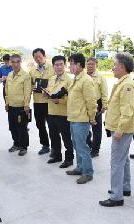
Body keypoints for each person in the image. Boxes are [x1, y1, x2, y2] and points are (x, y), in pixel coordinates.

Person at [99, 53, 134, 207]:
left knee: (116, 162)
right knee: (124, 159)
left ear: (122, 67)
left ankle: (116, 196)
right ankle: (124, 188)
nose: (112, 68)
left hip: (121, 129)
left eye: (114, 65)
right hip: (120, 128)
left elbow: (127, 111)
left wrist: (120, 131)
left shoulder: (127, 85)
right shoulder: (123, 82)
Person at [65, 53, 97, 184]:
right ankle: (79, 167)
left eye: (71, 64)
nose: (70, 66)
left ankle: (88, 173)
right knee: (76, 145)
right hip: (73, 117)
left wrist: (92, 118)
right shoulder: (76, 78)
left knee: (82, 146)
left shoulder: (86, 80)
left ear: (78, 65)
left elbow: (91, 101)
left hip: (82, 119)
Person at [43, 55, 74, 168]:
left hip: (63, 113)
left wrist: (59, 101)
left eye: (61, 64)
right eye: (56, 65)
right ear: (53, 66)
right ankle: (57, 155)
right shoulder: (51, 79)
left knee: (66, 137)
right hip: (51, 112)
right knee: (54, 136)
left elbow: (71, 98)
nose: (59, 67)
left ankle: (69, 159)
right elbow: (50, 92)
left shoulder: (69, 80)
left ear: (64, 65)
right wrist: (46, 94)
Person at [5, 54, 32, 156]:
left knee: (22, 127)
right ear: (10, 62)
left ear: (20, 62)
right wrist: (7, 103)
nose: (15, 64)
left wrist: (26, 104)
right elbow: (6, 90)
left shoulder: (26, 76)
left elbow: (27, 91)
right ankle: (16, 143)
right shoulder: (9, 75)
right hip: (11, 106)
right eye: (13, 62)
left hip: (21, 107)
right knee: (12, 127)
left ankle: (24, 147)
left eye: (17, 62)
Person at [29, 48, 55, 155]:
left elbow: (56, 83)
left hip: (49, 102)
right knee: (40, 125)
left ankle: (55, 147)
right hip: (37, 102)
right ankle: (45, 145)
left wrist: (48, 90)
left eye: (40, 57)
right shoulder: (32, 71)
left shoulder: (52, 68)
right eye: (36, 58)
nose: (38, 59)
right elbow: (29, 85)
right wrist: (32, 87)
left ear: (45, 56)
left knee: (52, 126)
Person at [86, 57, 108, 158]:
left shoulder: (100, 77)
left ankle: (95, 149)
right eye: (88, 64)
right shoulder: (83, 75)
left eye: (92, 64)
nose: (90, 66)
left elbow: (104, 93)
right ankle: (90, 144)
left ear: (96, 65)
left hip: (97, 104)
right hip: (85, 104)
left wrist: (104, 105)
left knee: (96, 129)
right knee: (85, 127)